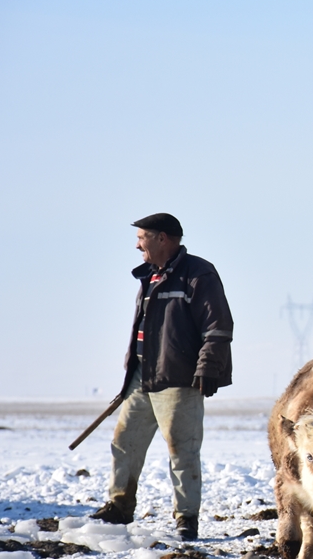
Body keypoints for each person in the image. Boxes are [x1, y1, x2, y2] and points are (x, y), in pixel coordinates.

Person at [91, 213, 234, 540]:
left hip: (179, 379)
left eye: (142, 237)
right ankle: (119, 506)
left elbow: (218, 327)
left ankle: (186, 518)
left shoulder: (199, 274)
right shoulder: (149, 277)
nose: (137, 244)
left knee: (183, 451)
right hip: (141, 377)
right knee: (125, 443)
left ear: (163, 239)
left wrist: (207, 367)